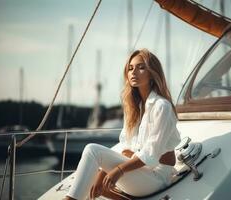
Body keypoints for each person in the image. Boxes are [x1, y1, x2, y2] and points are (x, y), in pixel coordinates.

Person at [64, 48, 181, 200]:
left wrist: (118, 170)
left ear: (152, 73)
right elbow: (125, 148)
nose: (133, 72)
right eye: (130, 68)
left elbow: (150, 155)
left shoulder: (162, 106)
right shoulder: (134, 108)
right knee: (90, 178)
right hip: (141, 172)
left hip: (157, 177)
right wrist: (102, 174)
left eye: (141, 67)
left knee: (92, 150)